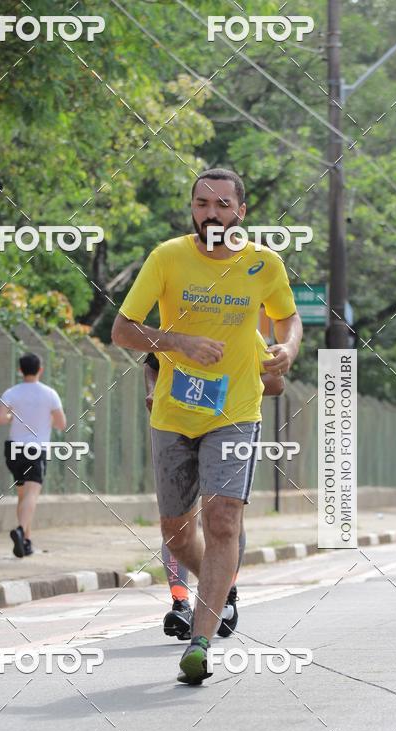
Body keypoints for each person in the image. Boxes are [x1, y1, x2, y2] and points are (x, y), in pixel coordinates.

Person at [112, 167, 302, 684]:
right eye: (202, 203)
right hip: (173, 413)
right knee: (177, 536)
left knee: (222, 521)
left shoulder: (264, 263)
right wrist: (178, 344)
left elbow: (287, 317)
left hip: (237, 412)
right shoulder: (168, 257)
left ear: (241, 210)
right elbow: (122, 331)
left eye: (222, 205)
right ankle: (225, 588)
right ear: (192, 208)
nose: (211, 214)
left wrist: (288, 348)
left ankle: (201, 639)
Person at [143, 332, 285, 641]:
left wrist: (232, 385)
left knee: (224, 519)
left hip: (228, 430)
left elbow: (276, 383)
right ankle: (181, 603)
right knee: (178, 525)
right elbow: (152, 363)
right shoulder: (179, 325)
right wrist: (154, 392)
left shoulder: (246, 330)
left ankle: (225, 593)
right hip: (177, 428)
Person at [0, 352, 66, 557]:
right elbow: (62, 424)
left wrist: (12, 417)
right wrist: (47, 421)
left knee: (22, 495)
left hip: (14, 448)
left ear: (20, 370)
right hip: (35, 449)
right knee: (32, 495)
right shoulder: (50, 394)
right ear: (40, 370)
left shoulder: (12, 392)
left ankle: (25, 540)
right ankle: (19, 530)